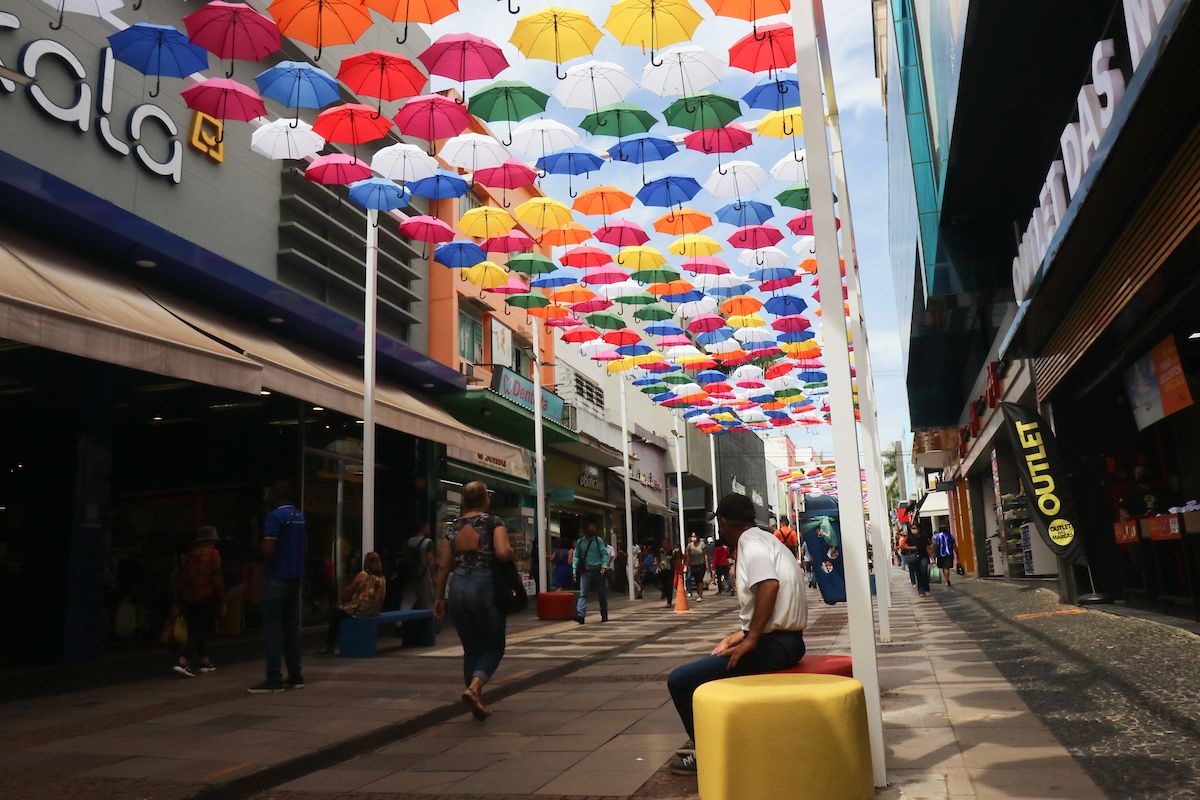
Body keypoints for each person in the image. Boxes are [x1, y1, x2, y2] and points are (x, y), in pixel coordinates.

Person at [667, 494, 808, 775]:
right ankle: (730, 742)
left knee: (681, 681)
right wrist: (742, 633)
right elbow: (770, 600)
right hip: (788, 640)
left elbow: (769, 586)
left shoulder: (749, 543)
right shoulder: (766, 539)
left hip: (774, 645)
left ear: (722, 522)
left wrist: (752, 639)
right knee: (714, 663)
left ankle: (710, 756)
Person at [432, 480, 514, 721]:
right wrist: (510, 552)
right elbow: (501, 552)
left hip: (458, 587)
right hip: (484, 585)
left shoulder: (453, 527)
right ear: (485, 499)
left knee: (471, 650)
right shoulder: (493, 522)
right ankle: (474, 689)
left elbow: (444, 566)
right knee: (494, 646)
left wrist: (439, 598)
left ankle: (476, 700)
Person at [250, 482, 307, 693]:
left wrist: (260, 553)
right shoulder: (299, 516)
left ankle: (273, 678)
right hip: (295, 577)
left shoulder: (275, 516)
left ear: (276, 495)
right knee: (290, 628)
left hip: (276, 577)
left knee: (273, 628)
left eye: (269, 493)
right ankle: (295, 675)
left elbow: (269, 549)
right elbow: (304, 548)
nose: (266, 496)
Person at [172, 526, 226, 678]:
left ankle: (204, 661)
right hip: (206, 594)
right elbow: (217, 578)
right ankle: (182, 660)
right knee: (199, 629)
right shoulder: (213, 554)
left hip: (188, 596)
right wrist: (222, 600)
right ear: (211, 541)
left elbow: (182, 578)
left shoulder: (191, 554)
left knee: (196, 627)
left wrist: (177, 599)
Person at [316, 552, 387, 655]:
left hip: (361, 609)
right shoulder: (382, 577)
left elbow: (349, 590)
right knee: (339, 613)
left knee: (335, 615)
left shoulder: (364, 574)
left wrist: (341, 600)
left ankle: (329, 646)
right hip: (374, 610)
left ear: (366, 562)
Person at [573, 523, 610, 623]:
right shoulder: (580, 542)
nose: (592, 530)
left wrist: (604, 565)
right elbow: (576, 556)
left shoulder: (598, 541)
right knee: (583, 593)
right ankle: (580, 615)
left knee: (601, 593)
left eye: (593, 528)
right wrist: (574, 569)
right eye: (590, 528)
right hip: (586, 571)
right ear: (584, 530)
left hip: (598, 570)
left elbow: (604, 554)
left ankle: (604, 614)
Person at [398, 523, 436, 610]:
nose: (429, 530)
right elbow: (430, 559)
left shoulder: (408, 541)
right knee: (427, 602)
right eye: (428, 528)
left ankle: (400, 620)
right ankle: (428, 621)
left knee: (407, 600)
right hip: (423, 576)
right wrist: (434, 576)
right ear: (423, 528)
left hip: (409, 575)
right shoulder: (428, 542)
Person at [901, 524, 932, 596]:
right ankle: (921, 590)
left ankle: (926, 588)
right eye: (912, 528)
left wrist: (932, 557)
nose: (913, 530)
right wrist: (912, 548)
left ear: (919, 529)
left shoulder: (924, 537)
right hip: (914, 557)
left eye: (914, 528)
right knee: (918, 573)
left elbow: (927, 547)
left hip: (924, 556)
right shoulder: (910, 537)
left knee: (924, 572)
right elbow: (904, 546)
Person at [686, 534, 709, 601]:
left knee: (700, 579)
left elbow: (705, 554)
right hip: (693, 565)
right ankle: (699, 592)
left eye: (694, 536)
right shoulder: (689, 545)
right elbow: (688, 555)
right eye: (692, 536)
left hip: (701, 564)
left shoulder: (702, 544)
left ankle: (700, 595)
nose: (693, 538)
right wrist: (686, 564)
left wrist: (707, 564)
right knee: (696, 580)